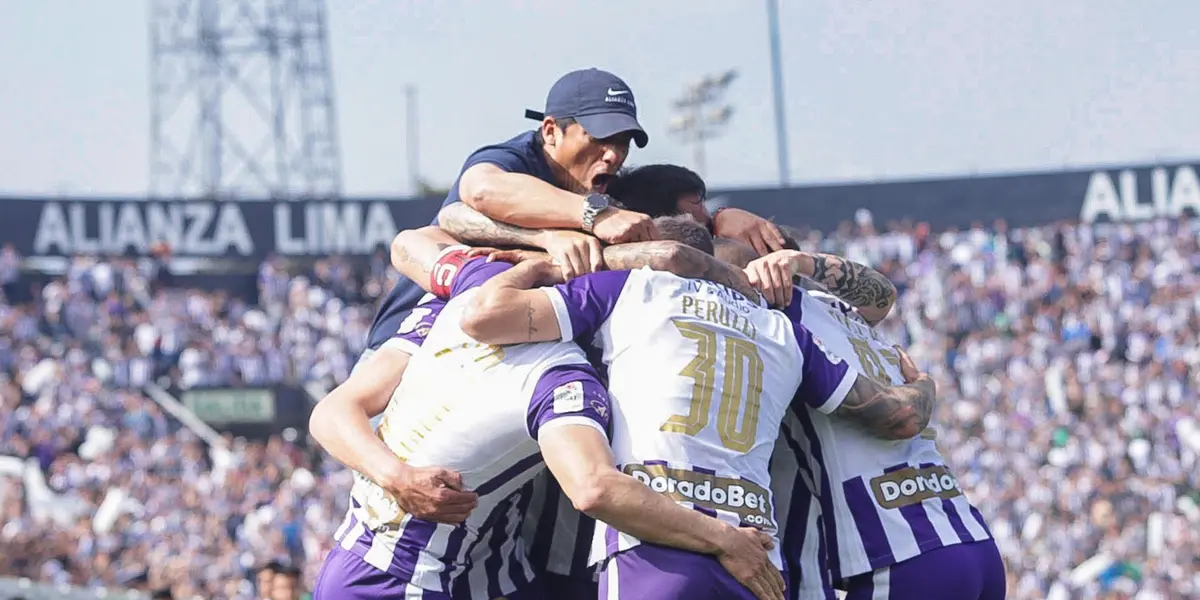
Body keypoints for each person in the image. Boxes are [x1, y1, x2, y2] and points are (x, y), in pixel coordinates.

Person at [460, 218, 940, 600]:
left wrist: (541, 265)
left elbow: (483, 317)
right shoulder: (787, 330)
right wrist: (924, 385)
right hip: (756, 557)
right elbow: (896, 413)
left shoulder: (631, 288)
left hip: (655, 548)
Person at [314, 240, 781, 600]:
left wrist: (537, 255)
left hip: (475, 574)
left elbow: (409, 242)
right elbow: (595, 488)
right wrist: (724, 539)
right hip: (402, 579)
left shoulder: (473, 285)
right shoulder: (562, 382)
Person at [327, 67, 659, 525]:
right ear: (550, 131)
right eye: (599, 136)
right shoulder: (517, 160)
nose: (613, 153)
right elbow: (478, 190)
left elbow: (674, 219)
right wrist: (584, 219)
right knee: (397, 523)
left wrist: (727, 220)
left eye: (622, 141)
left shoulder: (599, 185)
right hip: (419, 352)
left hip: (496, 356)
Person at [741, 249, 1005, 600]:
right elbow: (884, 294)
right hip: (971, 539)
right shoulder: (843, 313)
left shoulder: (779, 325)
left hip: (903, 555)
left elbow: (901, 415)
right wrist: (802, 260)